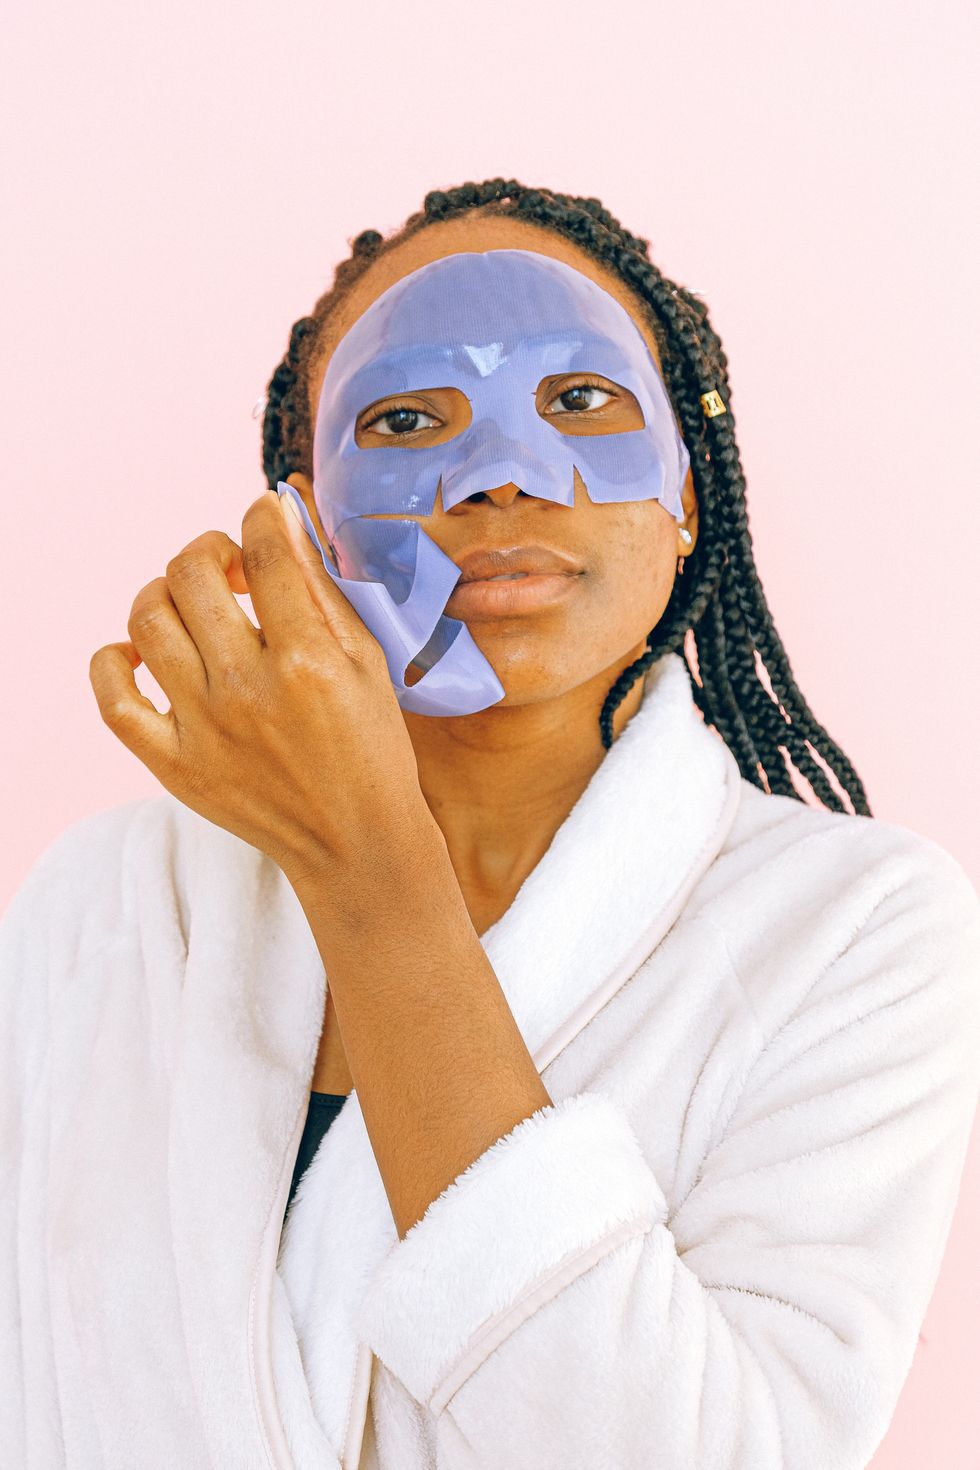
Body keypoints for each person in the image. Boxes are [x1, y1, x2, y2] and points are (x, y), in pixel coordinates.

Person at [2, 177, 978, 1470]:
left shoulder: (858, 928)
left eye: (580, 400)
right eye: (406, 419)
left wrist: (372, 873)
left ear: (688, 489)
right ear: (306, 518)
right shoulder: (106, 902)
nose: (501, 474)